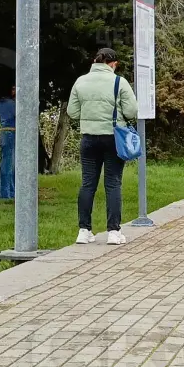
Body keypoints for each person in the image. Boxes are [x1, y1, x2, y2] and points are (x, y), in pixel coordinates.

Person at [66, 48, 138, 245]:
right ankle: (114, 232)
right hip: (114, 138)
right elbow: (131, 111)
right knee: (113, 183)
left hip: (89, 138)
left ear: (94, 61)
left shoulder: (81, 81)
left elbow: (72, 112)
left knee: (88, 184)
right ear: (113, 64)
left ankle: (84, 231)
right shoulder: (119, 82)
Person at [0, 88, 18, 200]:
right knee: (9, 164)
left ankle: (3, 193)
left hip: (5, 133)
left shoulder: (1, 102)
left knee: (6, 163)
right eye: (13, 88)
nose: (16, 90)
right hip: (10, 133)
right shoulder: (11, 104)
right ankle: (7, 194)